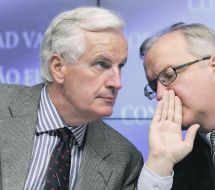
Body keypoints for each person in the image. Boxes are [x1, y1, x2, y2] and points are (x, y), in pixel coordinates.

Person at [0, 7, 146, 190]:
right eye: (102, 64)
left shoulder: (125, 159)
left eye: (120, 67)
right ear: (58, 67)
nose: (117, 83)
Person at [138, 22, 215, 190]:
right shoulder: (176, 163)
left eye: (168, 75)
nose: (160, 95)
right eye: (154, 86)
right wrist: (160, 163)